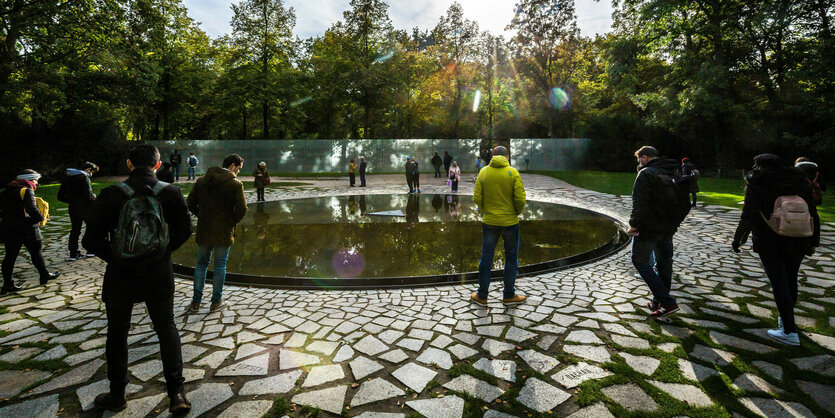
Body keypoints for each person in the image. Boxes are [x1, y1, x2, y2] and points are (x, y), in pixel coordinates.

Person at [81, 145, 192, 414]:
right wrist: (161, 252)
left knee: (117, 333)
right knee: (166, 328)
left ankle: (117, 394)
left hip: (121, 275)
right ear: (158, 165)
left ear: (129, 164)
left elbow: (90, 240)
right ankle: (177, 393)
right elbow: (186, 231)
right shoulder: (171, 192)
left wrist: (118, 257)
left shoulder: (111, 195)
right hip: (158, 274)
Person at [732, 154, 820, 346]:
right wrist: (814, 240)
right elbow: (812, 211)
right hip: (799, 237)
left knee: (779, 282)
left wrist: (738, 238)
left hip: (769, 238)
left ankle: (789, 331)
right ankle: (786, 319)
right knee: (790, 279)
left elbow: (748, 213)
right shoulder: (797, 179)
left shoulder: (758, 180)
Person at [186, 154, 248, 313]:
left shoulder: (202, 181)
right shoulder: (235, 184)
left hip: (205, 228)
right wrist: (231, 220)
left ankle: (196, 301)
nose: (238, 172)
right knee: (220, 265)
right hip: (223, 230)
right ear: (233, 166)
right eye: (239, 169)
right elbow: (242, 209)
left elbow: (190, 202)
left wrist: (200, 214)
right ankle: (215, 301)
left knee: (201, 264)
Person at [629, 146, 682, 317]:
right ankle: (658, 302)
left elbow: (639, 202)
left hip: (649, 228)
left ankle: (667, 302)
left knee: (640, 260)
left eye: (639, 159)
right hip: (668, 227)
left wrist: (634, 225)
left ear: (644, 157)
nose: (639, 162)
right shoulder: (671, 172)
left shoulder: (646, 173)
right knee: (664, 263)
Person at [471, 146, 527, 306]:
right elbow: (520, 199)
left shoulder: (483, 172)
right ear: (507, 157)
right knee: (511, 258)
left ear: (492, 156)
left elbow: (477, 197)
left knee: (486, 257)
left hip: (489, 222)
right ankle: (509, 295)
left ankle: (482, 296)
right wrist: (515, 212)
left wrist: (485, 210)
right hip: (510, 223)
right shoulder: (513, 172)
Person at [1, 170, 60, 294]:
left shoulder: (5, 192)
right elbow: (33, 210)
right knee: (36, 253)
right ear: (29, 180)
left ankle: (7, 284)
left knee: (10, 256)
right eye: (35, 180)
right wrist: (41, 218)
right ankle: (44, 275)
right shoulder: (26, 191)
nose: (37, 183)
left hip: (9, 229)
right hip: (28, 229)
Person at [58, 161, 99, 261]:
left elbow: (60, 196)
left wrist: (72, 201)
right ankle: (90, 250)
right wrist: (95, 198)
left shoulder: (67, 178)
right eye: (92, 172)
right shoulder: (84, 177)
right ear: (88, 170)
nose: (91, 174)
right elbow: (88, 195)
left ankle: (73, 253)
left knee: (75, 230)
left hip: (73, 208)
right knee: (91, 228)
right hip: (86, 208)